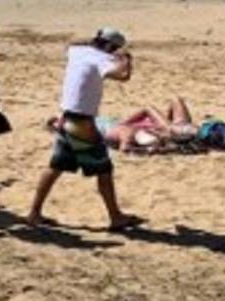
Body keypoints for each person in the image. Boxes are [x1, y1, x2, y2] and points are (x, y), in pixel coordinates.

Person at [27, 29, 143, 231]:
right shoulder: (102, 59)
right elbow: (122, 76)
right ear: (110, 47)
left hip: (65, 118)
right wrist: (126, 60)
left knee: (55, 167)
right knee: (104, 169)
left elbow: (70, 43)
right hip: (82, 123)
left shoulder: (77, 51)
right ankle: (115, 217)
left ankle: (34, 213)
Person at [92, 97, 198, 152]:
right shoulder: (125, 133)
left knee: (176, 100)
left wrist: (123, 123)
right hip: (172, 130)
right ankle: (178, 130)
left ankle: (176, 129)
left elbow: (125, 147)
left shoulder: (123, 130)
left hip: (170, 129)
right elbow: (125, 148)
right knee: (155, 107)